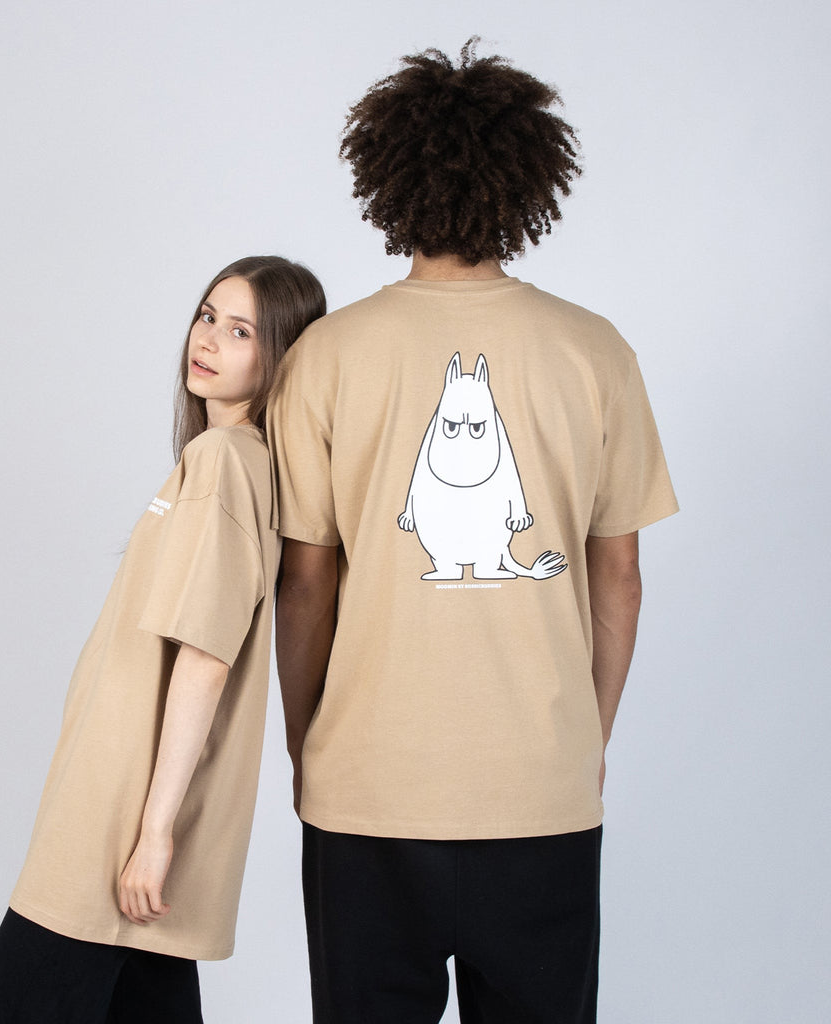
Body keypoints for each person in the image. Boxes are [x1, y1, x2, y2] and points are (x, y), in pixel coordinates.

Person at [268, 40, 678, 1024]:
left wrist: (307, 741)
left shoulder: (327, 356)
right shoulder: (595, 351)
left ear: (387, 181)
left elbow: (306, 581)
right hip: (540, 789)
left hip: (366, 789)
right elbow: (618, 577)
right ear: (526, 183)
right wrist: (582, 739)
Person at [0, 256, 326, 1024]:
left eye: (242, 331)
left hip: (119, 817)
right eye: (208, 316)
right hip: (132, 807)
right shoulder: (237, 462)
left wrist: (153, 834)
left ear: (281, 357)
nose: (209, 339)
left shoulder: (224, 462)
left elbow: (206, 656)